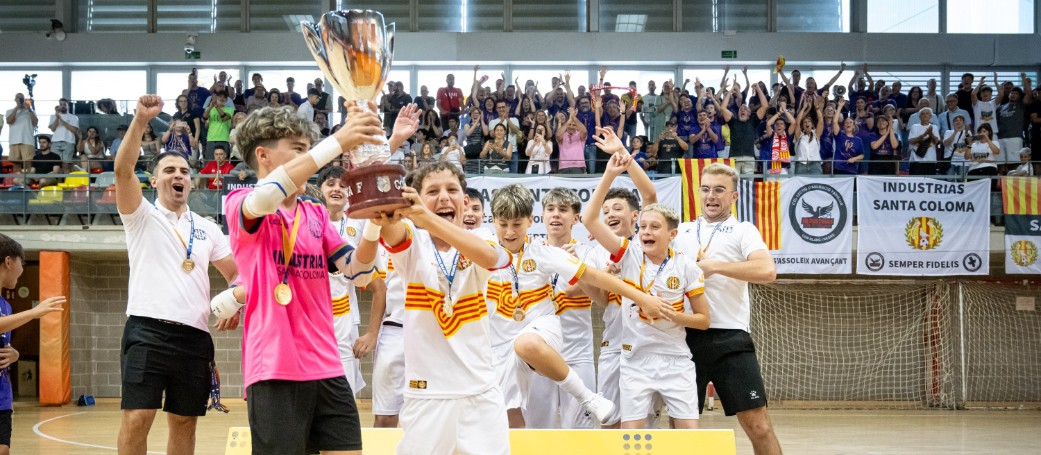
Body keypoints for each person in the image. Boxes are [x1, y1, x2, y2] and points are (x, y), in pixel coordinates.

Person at [208, 101, 405, 454]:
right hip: (275, 368)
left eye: (309, 149)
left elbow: (358, 271)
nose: (310, 158)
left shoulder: (315, 213)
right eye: (299, 149)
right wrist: (338, 141)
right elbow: (266, 195)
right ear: (263, 155)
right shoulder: (240, 202)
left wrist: (374, 225)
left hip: (327, 365)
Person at [113, 95, 238, 455]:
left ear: (192, 182)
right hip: (147, 331)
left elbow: (235, 273)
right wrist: (140, 120)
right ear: (154, 180)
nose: (178, 176)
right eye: (169, 171)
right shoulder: (140, 215)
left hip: (195, 338)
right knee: (137, 417)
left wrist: (235, 302)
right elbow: (122, 171)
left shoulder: (208, 228)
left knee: (185, 422)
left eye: (184, 171)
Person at [584, 152, 710, 430]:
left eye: (654, 227)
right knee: (629, 434)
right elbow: (589, 219)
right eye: (642, 227)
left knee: (688, 434)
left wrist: (671, 314)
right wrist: (609, 174)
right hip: (634, 357)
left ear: (672, 234)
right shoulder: (629, 254)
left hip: (675, 358)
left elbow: (703, 320)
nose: (646, 232)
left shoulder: (686, 266)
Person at [673, 163, 782, 455]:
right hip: (683, 337)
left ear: (733, 196)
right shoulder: (680, 231)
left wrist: (715, 267)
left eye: (719, 190)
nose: (711, 196)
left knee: (759, 426)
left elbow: (767, 270)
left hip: (730, 338)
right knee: (680, 429)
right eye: (706, 189)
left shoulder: (743, 230)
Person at [0, 234, 65, 455]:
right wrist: (34, 312)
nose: (23, 269)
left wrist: (15, 354)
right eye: (22, 262)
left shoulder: (6, 306)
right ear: (9, 261)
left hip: (2, 394)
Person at [5, 93, 39, 173]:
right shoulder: (10, 111)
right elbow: (9, 121)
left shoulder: (30, 111)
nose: (20, 100)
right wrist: (17, 108)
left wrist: (29, 110)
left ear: (24, 100)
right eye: (18, 98)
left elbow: (35, 122)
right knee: (16, 164)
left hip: (27, 141)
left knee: (29, 163)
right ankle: (18, 179)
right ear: (15, 100)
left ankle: (29, 179)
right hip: (14, 141)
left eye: (21, 98)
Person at [48, 98, 79, 173]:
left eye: (64, 104)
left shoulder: (73, 117)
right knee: (56, 164)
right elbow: (53, 129)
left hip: (68, 141)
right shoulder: (53, 116)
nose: (62, 106)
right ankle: (58, 179)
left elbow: (74, 130)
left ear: (68, 106)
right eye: (61, 104)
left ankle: (66, 179)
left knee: (66, 164)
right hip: (55, 142)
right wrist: (57, 118)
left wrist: (62, 121)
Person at [908, 108, 940, 175]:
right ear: (919, 117)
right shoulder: (914, 126)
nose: (925, 115)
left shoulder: (934, 127)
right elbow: (911, 141)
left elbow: (936, 141)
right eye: (922, 114)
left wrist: (931, 134)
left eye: (927, 113)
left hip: (930, 160)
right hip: (916, 160)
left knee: (930, 180)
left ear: (930, 116)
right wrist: (923, 135)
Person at [203, 92, 234, 162]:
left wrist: (216, 106)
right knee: (210, 162)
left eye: (224, 97)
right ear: (216, 98)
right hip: (211, 138)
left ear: (226, 100)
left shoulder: (230, 109)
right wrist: (210, 107)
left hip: (223, 138)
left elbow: (224, 117)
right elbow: (204, 118)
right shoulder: (210, 109)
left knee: (223, 162)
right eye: (220, 96)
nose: (222, 98)